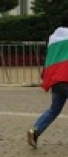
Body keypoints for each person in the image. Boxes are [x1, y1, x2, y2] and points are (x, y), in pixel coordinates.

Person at [28, 10, 68, 149]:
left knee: (54, 109)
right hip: (67, 77)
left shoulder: (54, 38)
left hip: (56, 80)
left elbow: (51, 59)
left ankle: (35, 130)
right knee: (54, 109)